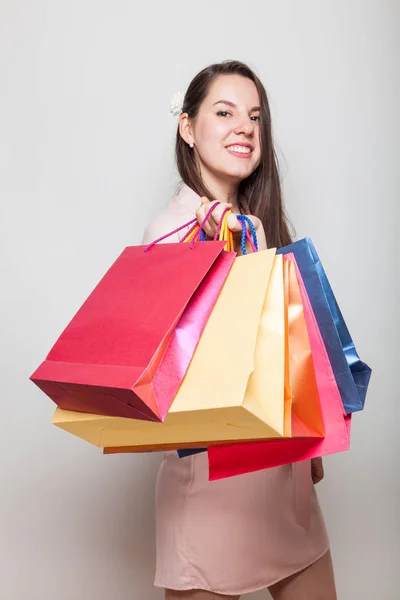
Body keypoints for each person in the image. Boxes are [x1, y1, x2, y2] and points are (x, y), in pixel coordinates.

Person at [142, 61, 337, 600]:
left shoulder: (261, 227)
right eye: (224, 112)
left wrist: (312, 443)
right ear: (188, 127)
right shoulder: (169, 234)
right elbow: (168, 374)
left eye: (254, 116)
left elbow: (287, 351)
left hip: (284, 480)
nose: (245, 127)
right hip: (212, 486)